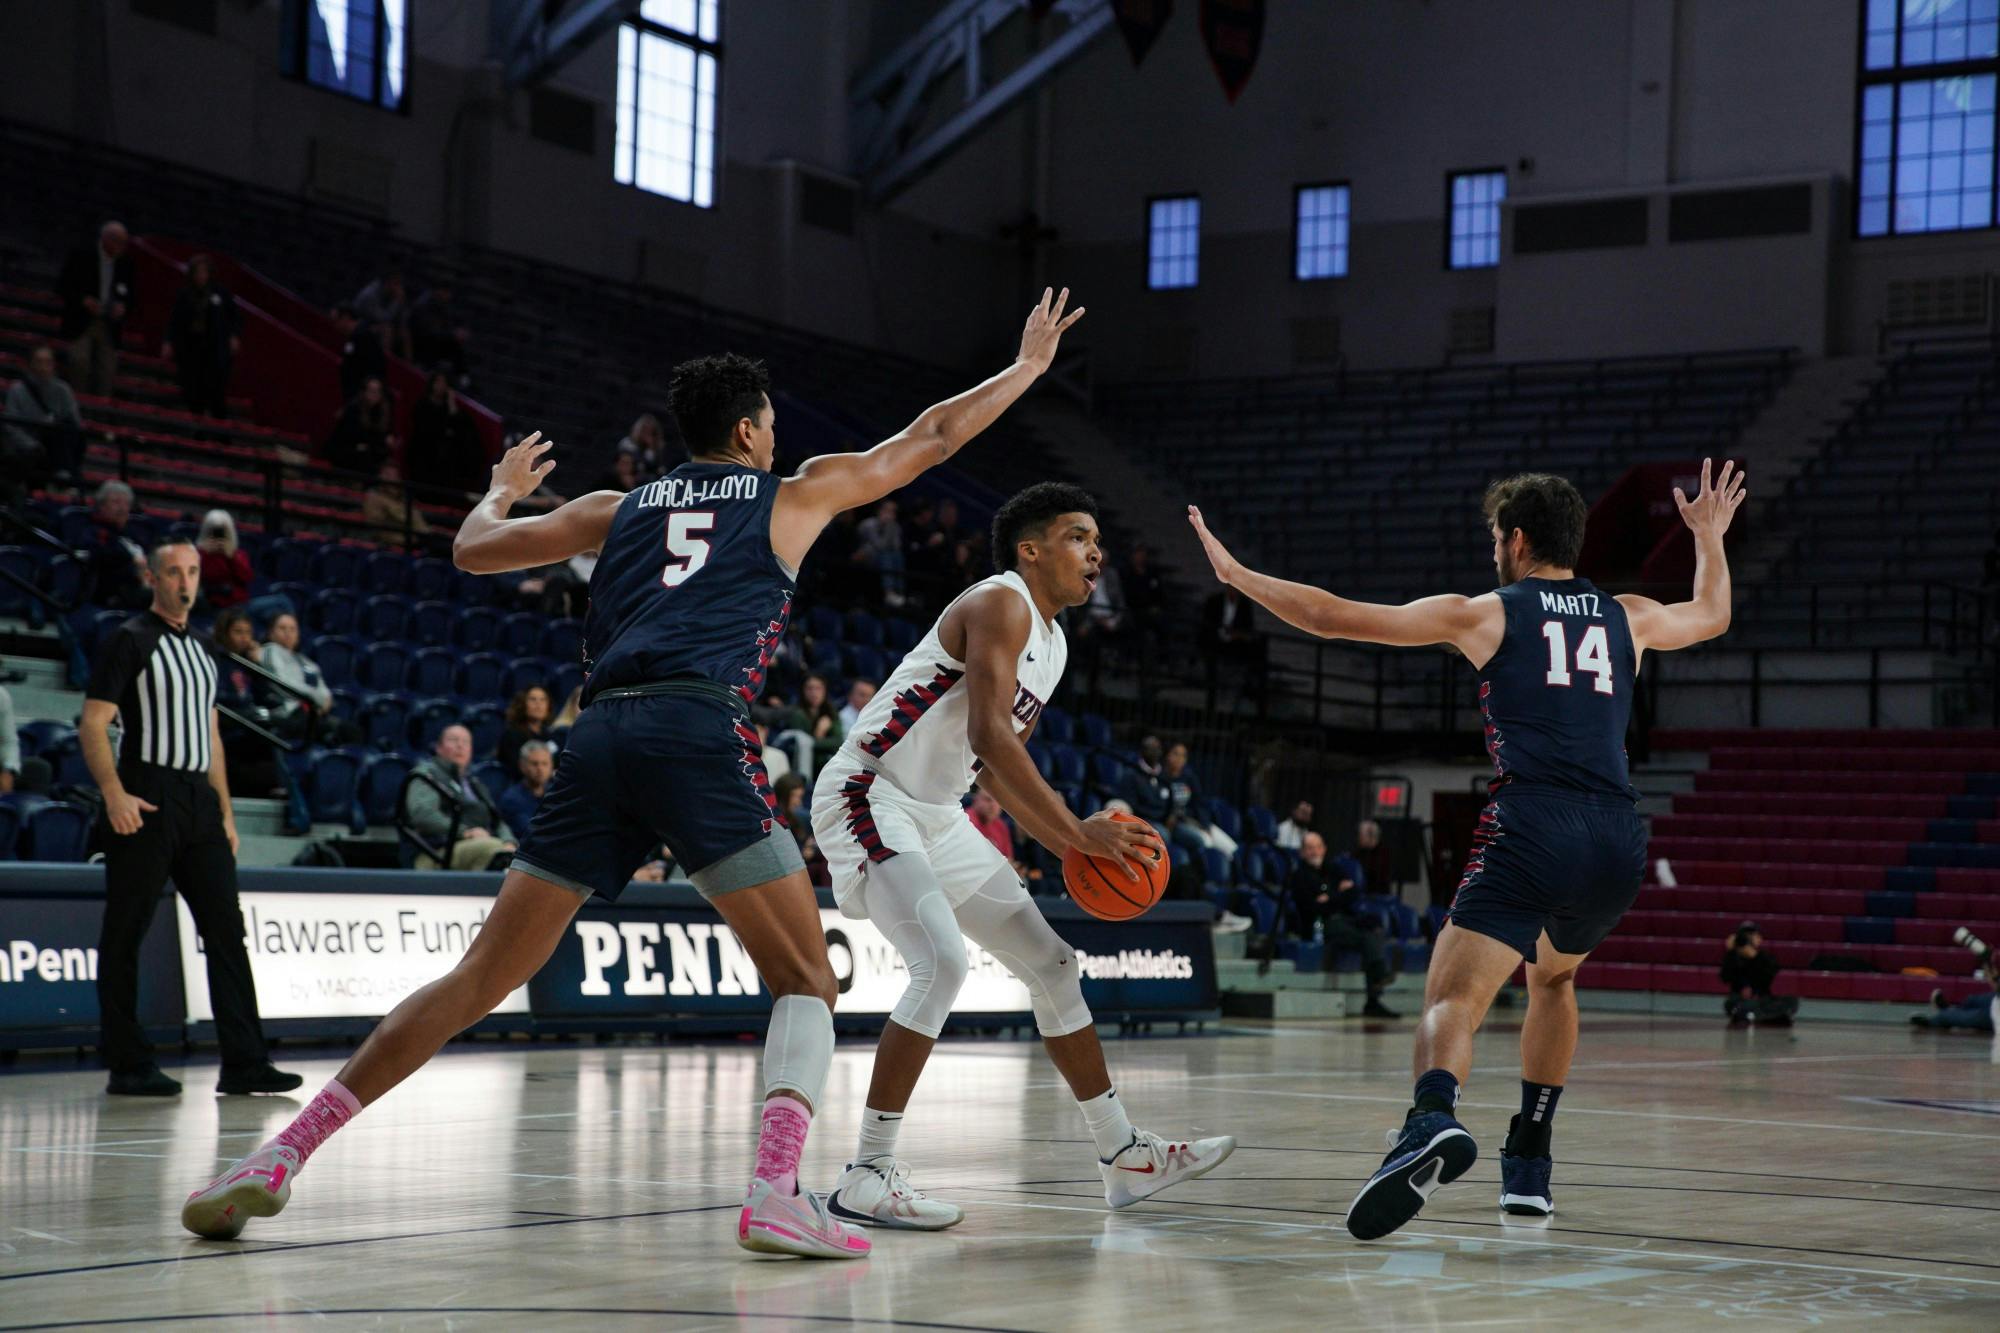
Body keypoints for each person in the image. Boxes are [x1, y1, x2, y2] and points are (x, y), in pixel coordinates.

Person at [182, 287, 1089, 1262]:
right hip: (696, 729)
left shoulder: (613, 509)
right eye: (772, 426)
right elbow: (934, 435)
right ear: (747, 431)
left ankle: (278, 1155)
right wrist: (1027, 370)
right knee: (806, 978)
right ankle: (775, 1194)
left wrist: (497, 487)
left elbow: (472, 549)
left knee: (481, 975)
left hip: (598, 737)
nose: (778, 440)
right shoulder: (790, 495)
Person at [1188, 458, 1747, 1239]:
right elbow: (1713, 613)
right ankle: (1530, 1166)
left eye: (1495, 537)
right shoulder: (1628, 615)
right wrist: (1710, 538)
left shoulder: (1487, 612)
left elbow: (1330, 616)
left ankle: (1431, 1119)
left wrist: (1235, 572)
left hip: (1537, 821)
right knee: (1552, 980)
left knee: (1453, 998)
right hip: (1618, 836)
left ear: (1515, 540)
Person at [809, 480, 1234, 1233]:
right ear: (1030, 549)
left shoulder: (1056, 643)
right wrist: (1078, 832)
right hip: (871, 791)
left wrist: (1069, 841)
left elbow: (997, 772)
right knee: (941, 962)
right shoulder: (1000, 601)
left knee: (1054, 964)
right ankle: (865, 1173)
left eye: (1098, 539)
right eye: (1079, 535)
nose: (1096, 550)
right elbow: (989, 737)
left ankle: (1123, 1155)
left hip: (936, 812)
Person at [78, 541, 301, 1098]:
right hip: (146, 793)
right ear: (152, 577)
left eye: (193, 572)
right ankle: (128, 1062)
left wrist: (224, 810)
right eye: (174, 572)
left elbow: (211, 735)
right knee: (126, 929)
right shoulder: (130, 640)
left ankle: (245, 1061)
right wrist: (114, 794)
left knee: (228, 932)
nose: (185, 582)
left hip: (198, 801)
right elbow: (92, 722)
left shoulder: (203, 649)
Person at [1288, 832, 1397, 1018]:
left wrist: (1329, 898)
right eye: (1309, 848)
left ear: (1324, 848)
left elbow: (1353, 893)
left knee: (1373, 928)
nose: (1314, 851)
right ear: (1302, 852)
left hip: (1344, 919)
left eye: (1317, 846)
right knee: (1366, 937)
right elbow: (1313, 908)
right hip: (1321, 925)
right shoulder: (1299, 877)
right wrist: (1338, 895)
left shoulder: (1333, 868)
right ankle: (1376, 988)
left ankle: (1375, 990)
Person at [404, 725, 515, 871]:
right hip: (435, 852)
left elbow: (497, 820)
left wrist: (508, 841)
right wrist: (465, 832)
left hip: (477, 844)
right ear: (439, 748)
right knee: (491, 848)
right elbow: (423, 814)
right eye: (453, 740)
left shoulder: (474, 783)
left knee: (516, 856)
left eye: (466, 742)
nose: (460, 745)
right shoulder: (427, 775)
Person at [58, 221, 134, 396]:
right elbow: (63, 286)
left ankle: (100, 411)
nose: (122, 247)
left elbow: (131, 297)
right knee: (79, 362)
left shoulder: (126, 263)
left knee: (107, 370)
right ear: (106, 239)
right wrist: (83, 300)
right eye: (118, 241)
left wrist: (123, 307)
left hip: (109, 325)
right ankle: (76, 406)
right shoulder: (81, 255)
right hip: (81, 321)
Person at [162, 255, 239, 418]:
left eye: (204, 272)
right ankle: (197, 423)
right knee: (193, 387)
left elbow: (234, 317)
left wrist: (233, 335)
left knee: (215, 387)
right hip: (191, 347)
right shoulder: (185, 294)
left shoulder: (220, 293)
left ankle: (219, 427)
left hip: (213, 348)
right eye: (198, 272)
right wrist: (168, 341)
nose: (201, 276)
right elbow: (174, 320)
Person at [4, 343, 85, 489]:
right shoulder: (17, 390)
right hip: (29, 447)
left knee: (66, 431)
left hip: (57, 444)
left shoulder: (63, 390)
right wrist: (32, 445)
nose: (43, 367)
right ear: (30, 364)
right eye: (39, 362)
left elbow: (75, 422)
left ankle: (64, 474)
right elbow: (11, 426)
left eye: (48, 362)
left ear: (54, 365)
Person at [195, 510, 293, 625]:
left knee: (281, 603)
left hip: (242, 605)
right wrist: (207, 554)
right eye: (214, 532)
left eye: (223, 532)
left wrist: (230, 557)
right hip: (218, 607)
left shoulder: (236, 554)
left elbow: (247, 577)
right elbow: (208, 576)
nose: (219, 537)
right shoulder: (199, 554)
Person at [408, 370, 486, 495]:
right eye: (438, 382)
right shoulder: (422, 405)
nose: (441, 386)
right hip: (424, 451)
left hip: (444, 456)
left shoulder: (448, 407)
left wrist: (451, 404)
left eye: (444, 383)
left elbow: (458, 427)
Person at [1160, 740, 1238, 861]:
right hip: (1179, 824)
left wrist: (1205, 825)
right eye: (1176, 754)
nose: (1180, 759)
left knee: (1232, 849)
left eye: (1183, 755)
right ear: (1167, 756)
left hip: (1196, 821)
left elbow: (1199, 803)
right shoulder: (1160, 778)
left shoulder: (1189, 778)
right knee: (1206, 843)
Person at [84, 481, 151, 611]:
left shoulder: (132, 536)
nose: (122, 508)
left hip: (141, 589)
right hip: (116, 592)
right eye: (116, 502)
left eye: (126, 504)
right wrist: (133, 564)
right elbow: (101, 558)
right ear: (101, 506)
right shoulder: (94, 532)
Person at [1719, 923, 1796, 1026]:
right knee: (1732, 1004)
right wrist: (1731, 953)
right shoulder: (1733, 958)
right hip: (1741, 1000)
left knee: (1791, 1000)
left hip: (1763, 999)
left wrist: (1754, 955)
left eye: (1752, 935)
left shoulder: (1765, 957)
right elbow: (1725, 977)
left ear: (1759, 939)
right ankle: (1764, 1016)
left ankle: (1757, 1015)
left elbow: (1770, 974)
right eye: (1746, 936)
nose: (1749, 939)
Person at [1201, 585, 1266, 704]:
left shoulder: (1245, 605)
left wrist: (1237, 635)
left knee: (1257, 648)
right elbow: (1207, 625)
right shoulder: (1214, 601)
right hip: (1215, 641)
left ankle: (1252, 687)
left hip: (1236, 643)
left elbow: (1248, 628)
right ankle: (1212, 691)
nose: (1234, 591)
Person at [771, 672, 842, 779]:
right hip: (801, 768)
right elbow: (802, 745)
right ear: (802, 691)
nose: (814, 693)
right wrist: (819, 733)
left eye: (818, 688)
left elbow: (838, 742)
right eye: (809, 688)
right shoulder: (797, 713)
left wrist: (814, 741)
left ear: (825, 691)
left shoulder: (831, 712)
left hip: (826, 768)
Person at [261, 612, 334, 713]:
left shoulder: (306, 661)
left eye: (292, 629)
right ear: (271, 633)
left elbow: (325, 693)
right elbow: (281, 683)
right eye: (282, 628)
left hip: (311, 712)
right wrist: (315, 697)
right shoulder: (270, 650)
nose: (288, 633)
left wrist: (322, 702)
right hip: (286, 712)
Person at [325, 377, 396, 476]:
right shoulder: (354, 409)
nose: (375, 395)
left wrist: (387, 437)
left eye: (378, 391)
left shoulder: (382, 411)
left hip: (368, 452)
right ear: (364, 392)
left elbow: (382, 434)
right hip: (345, 451)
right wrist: (381, 439)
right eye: (372, 391)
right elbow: (354, 437)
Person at [362, 463, 434, 549]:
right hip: (397, 542)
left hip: (422, 539)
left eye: (395, 476)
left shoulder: (404, 499)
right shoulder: (374, 497)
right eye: (388, 475)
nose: (392, 479)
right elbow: (376, 527)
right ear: (380, 476)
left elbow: (420, 524)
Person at [407, 283, 469, 382]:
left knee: (455, 344)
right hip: (421, 344)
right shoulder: (424, 305)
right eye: (447, 293)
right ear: (439, 291)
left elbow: (446, 329)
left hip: (436, 344)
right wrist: (452, 335)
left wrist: (455, 335)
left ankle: (462, 377)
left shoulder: (443, 308)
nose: (449, 297)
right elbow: (428, 332)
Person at [497, 739, 553, 840]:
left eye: (545, 763)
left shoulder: (556, 794)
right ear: (522, 766)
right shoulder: (511, 799)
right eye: (535, 764)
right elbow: (529, 832)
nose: (540, 768)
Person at [855, 499, 907, 606]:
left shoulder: (895, 526)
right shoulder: (868, 524)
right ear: (880, 511)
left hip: (883, 557)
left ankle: (899, 592)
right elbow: (879, 546)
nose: (889, 514)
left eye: (892, 512)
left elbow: (897, 547)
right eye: (887, 510)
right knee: (886, 556)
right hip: (868, 556)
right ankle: (888, 592)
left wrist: (891, 528)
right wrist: (888, 528)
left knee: (898, 556)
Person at [332, 303, 388, 401]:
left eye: (336, 321)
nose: (334, 326)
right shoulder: (356, 336)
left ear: (346, 318)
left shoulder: (362, 336)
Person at [497, 684, 554, 777]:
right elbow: (516, 770)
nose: (538, 704)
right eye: (533, 699)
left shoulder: (549, 734)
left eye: (543, 700)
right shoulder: (511, 735)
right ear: (522, 704)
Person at [352, 270, 409, 356]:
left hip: (372, 324)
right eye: (396, 284)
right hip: (357, 323)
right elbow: (381, 318)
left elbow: (402, 320)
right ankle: (382, 361)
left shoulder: (390, 295)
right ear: (388, 282)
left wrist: (401, 304)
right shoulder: (370, 293)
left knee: (405, 333)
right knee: (386, 330)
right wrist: (397, 302)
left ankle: (408, 364)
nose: (399, 288)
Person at [966, 788, 1013, 861]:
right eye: (988, 800)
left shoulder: (1001, 826)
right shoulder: (966, 820)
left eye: (998, 802)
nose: (993, 806)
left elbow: (1008, 859)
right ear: (976, 800)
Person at [617, 412, 667, 480]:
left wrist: (651, 448)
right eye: (644, 431)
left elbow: (657, 468)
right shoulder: (627, 443)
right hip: (629, 476)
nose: (647, 435)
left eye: (651, 432)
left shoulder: (655, 448)